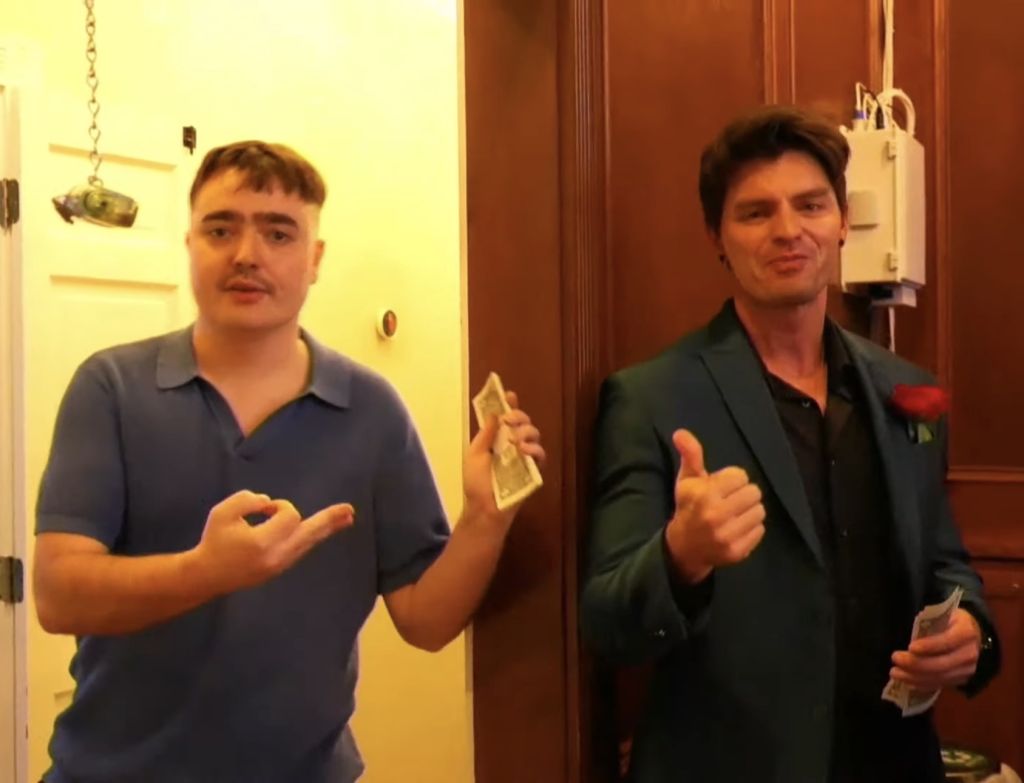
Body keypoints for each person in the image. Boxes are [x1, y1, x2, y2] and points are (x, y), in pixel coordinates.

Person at [32, 140, 545, 783]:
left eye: (278, 233)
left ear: (314, 259)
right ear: (190, 244)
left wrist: (484, 518)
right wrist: (206, 572)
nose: (247, 254)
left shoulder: (372, 410)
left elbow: (426, 620)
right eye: (221, 229)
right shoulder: (110, 388)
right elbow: (58, 595)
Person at [580, 106, 999, 783]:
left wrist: (972, 629)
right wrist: (681, 556)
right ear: (716, 236)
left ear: (842, 221)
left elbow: (945, 560)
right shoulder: (650, 398)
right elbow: (607, 622)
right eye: (755, 213)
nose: (787, 230)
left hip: (893, 763)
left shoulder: (906, 389)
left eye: (810, 205)